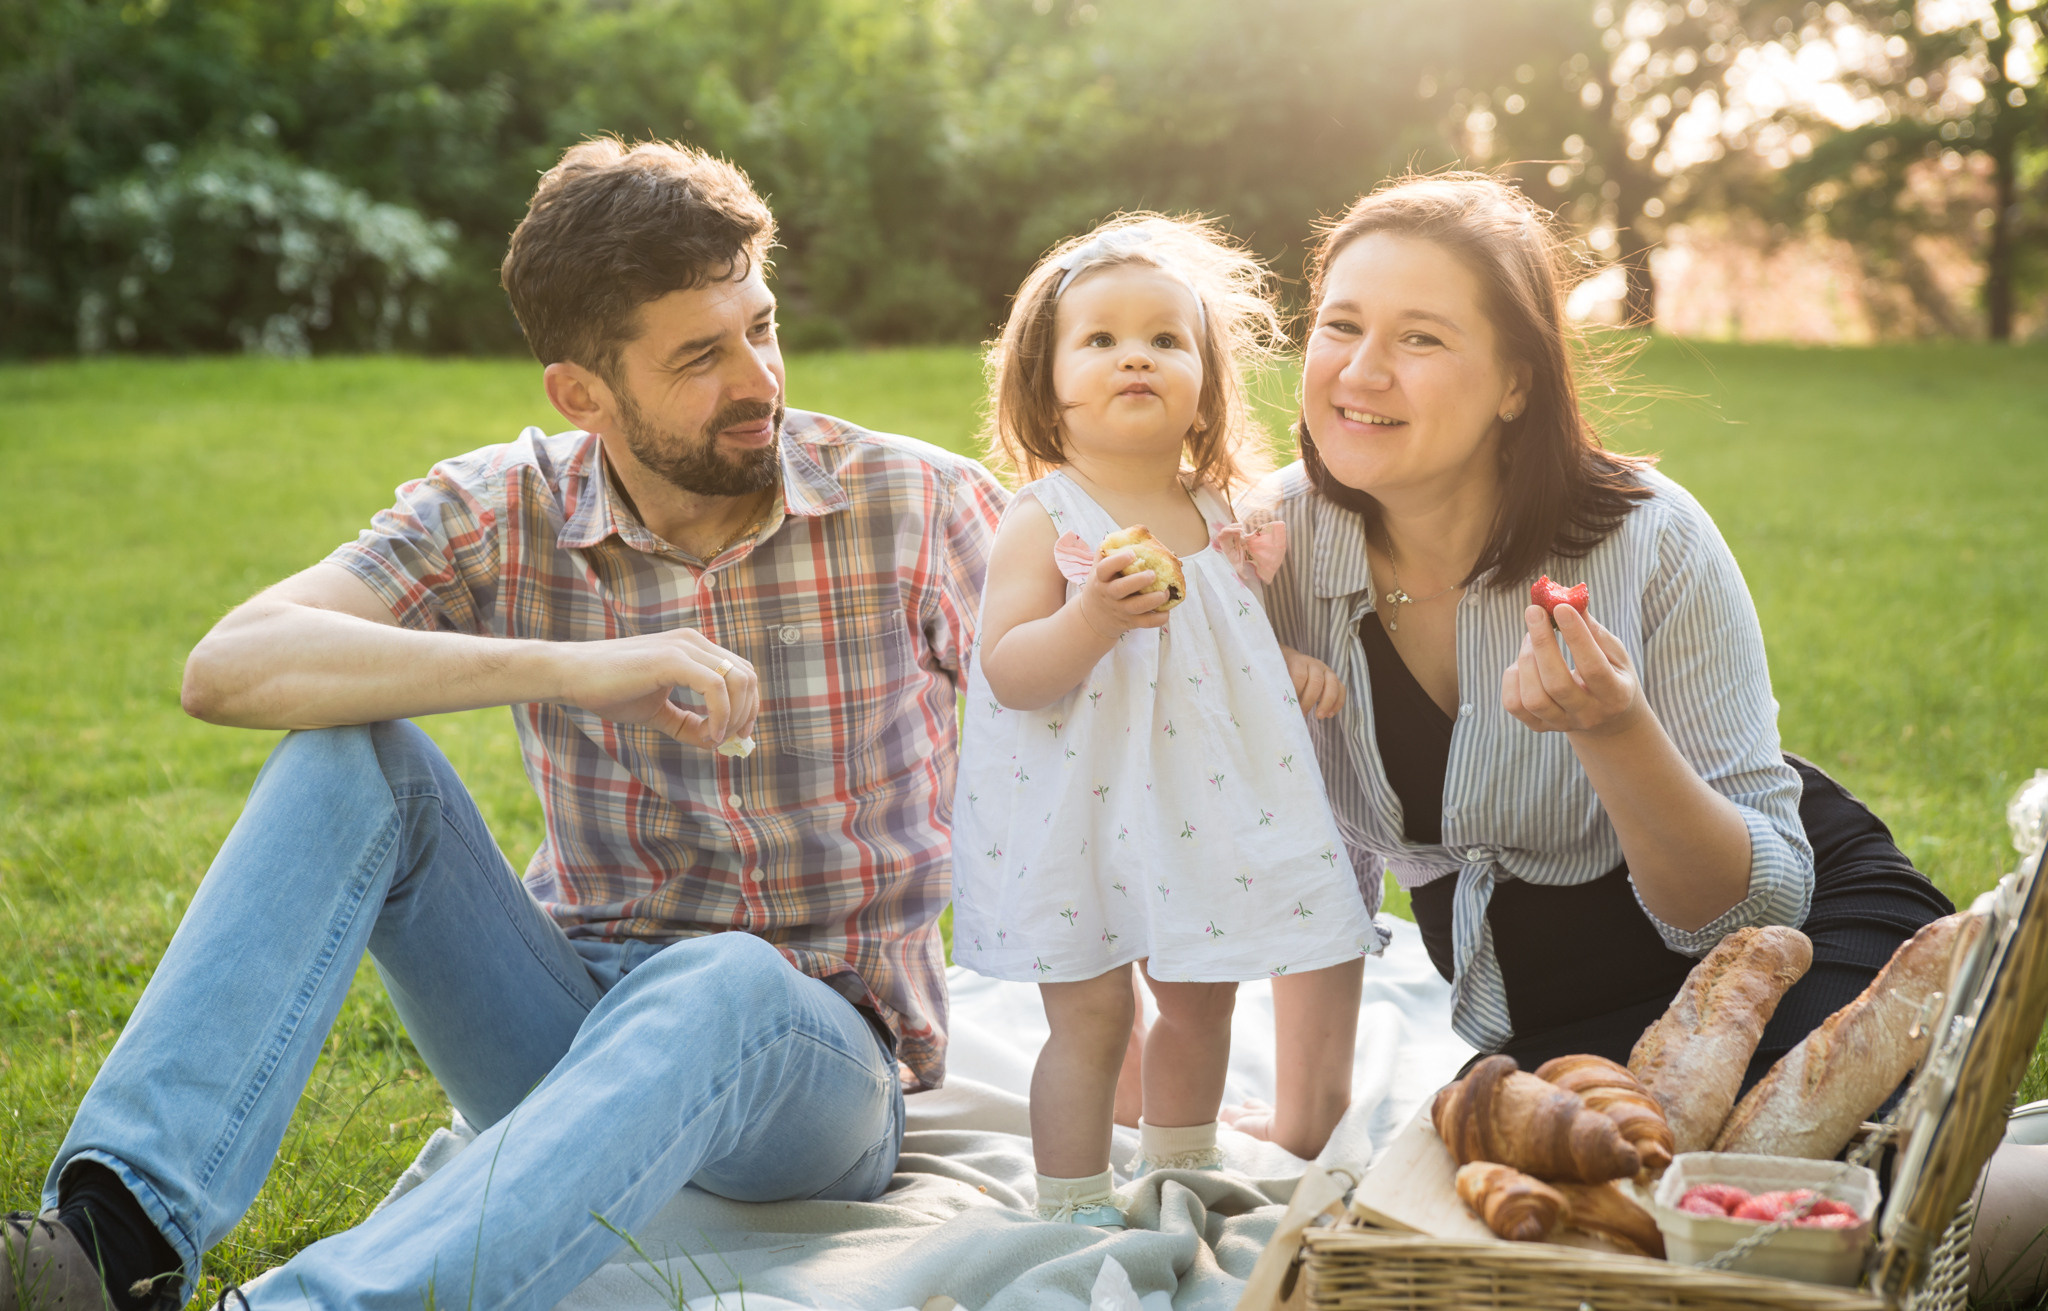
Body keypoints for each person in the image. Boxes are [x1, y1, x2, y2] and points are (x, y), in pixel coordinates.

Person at [1, 138, 1004, 1311]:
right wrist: (576, 667)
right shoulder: (502, 503)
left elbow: (1096, 733)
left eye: (761, 326)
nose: (758, 380)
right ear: (582, 392)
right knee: (351, 750)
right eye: (700, 355)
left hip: (817, 1065)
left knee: (724, 977)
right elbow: (229, 664)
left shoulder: (918, 505)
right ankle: (114, 1243)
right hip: (562, 1021)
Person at [1226, 172, 1960, 1160]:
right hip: (1553, 1015)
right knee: (1555, 1209)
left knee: (1742, 1182)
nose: (1359, 371)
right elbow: (1303, 862)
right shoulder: (1266, 555)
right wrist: (1303, 1123)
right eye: (1339, 324)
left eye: (1420, 337)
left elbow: (1756, 908)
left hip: (1793, 955)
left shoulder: (1646, 538)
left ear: (1515, 383)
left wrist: (1611, 730)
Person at [951, 215, 1373, 1228]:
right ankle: (1071, 1201)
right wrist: (1090, 614)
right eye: (1097, 339)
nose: (1133, 354)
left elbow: (1222, 642)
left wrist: (1291, 667)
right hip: (1082, 805)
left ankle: (1179, 1168)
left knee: (1200, 994)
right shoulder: (1044, 515)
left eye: (1163, 338)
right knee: (1093, 1016)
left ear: (1202, 377)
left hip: (1194, 800)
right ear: (1044, 381)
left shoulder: (1215, 508)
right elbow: (1008, 672)